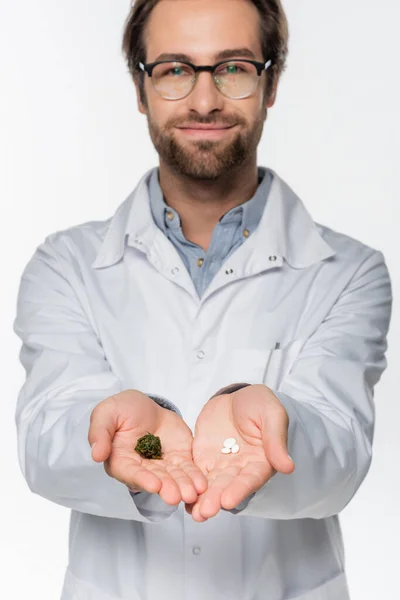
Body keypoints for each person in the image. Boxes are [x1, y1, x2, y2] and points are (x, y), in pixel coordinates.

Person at [13, 0, 392, 599]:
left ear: (270, 84)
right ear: (142, 88)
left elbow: (340, 452)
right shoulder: (65, 266)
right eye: (174, 69)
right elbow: (45, 440)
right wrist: (120, 441)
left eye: (234, 67)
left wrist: (282, 430)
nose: (206, 99)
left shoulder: (349, 272)